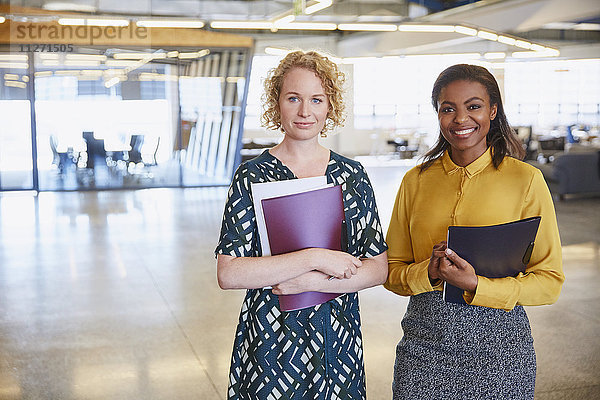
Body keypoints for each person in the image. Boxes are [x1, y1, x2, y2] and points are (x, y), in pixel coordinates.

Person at [384, 64, 564, 399]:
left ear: (493, 110)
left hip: (501, 349)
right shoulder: (416, 181)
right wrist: (429, 272)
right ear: (438, 114)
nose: (461, 119)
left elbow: (549, 283)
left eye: (474, 106)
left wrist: (477, 286)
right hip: (423, 344)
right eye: (448, 109)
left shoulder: (525, 181)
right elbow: (392, 273)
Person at [215, 50, 388, 399]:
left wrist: (313, 282)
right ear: (277, 103)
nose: (305, 111)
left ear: (330, 106)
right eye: (293, 98)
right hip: (271, 338)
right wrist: (315, 257)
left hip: (336, 337)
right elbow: (230, 273)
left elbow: (378, 268)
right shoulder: (252, 177)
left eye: (316, 99)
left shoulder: (351, 175)